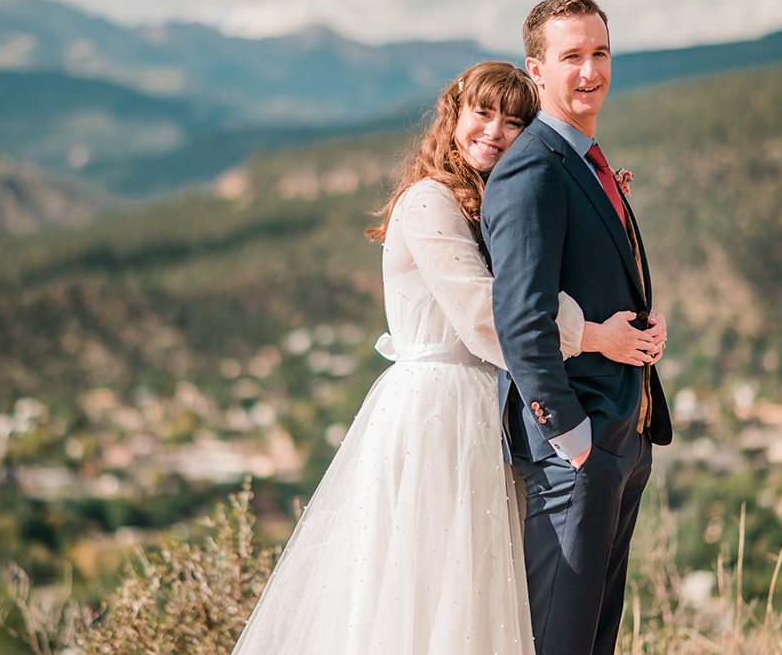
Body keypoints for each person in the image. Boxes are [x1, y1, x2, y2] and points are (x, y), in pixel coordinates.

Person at [231, 61, 595, 655]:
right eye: (483, 113)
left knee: (476, 581)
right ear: (454, 114)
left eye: (512, 121)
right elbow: (485, 314)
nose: (494, 132)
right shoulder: (429, 202)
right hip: (438, 410)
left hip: (483, 407)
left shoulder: (486, 202)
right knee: (426, 583)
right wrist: (592, 334)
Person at [482, 0, 674, 655]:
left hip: (622, 433)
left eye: (600, 54)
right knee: (559, 641)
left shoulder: (585, 159)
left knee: (594, 640)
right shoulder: (532, 167)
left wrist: (645, 326)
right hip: (575, 447)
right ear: (536, 70)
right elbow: (520, 315)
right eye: (572, 57)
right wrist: (573, 439)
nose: (590, 71)